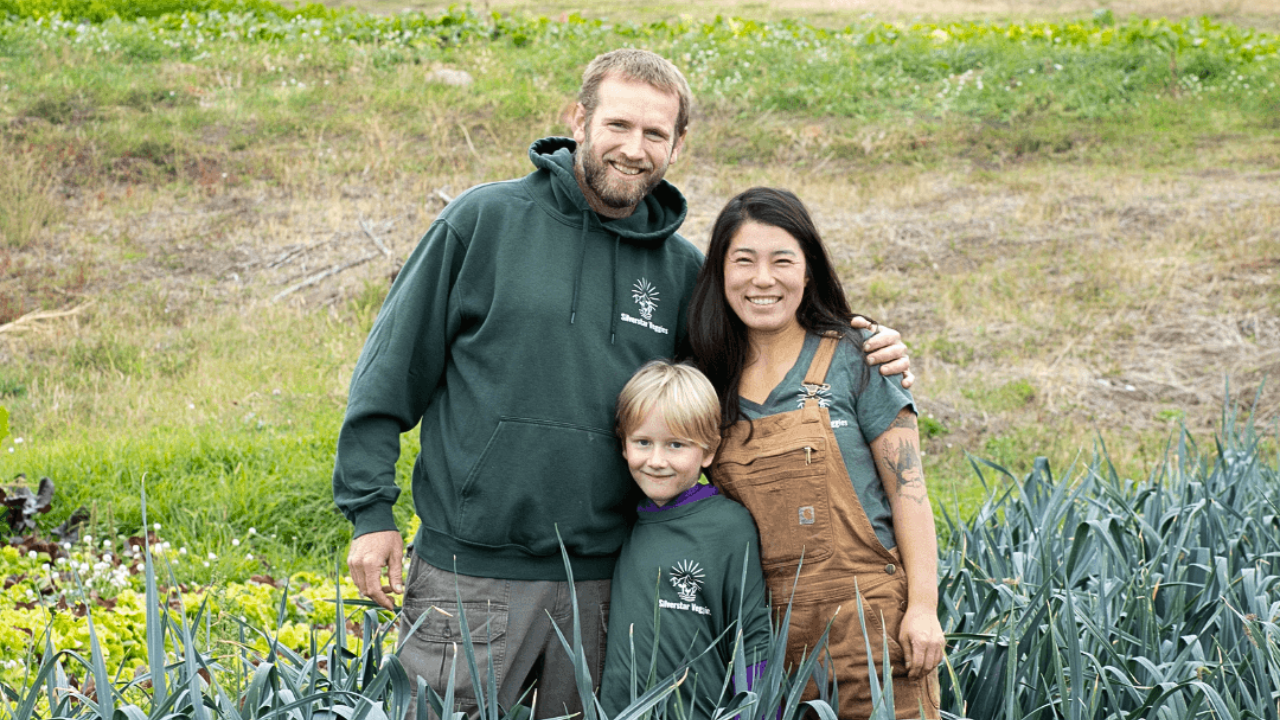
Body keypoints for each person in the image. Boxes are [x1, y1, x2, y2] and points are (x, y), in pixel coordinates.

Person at [332, 50, 912, 719]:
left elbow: (755, 359)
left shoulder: (680, 270)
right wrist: (370, 514)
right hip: (471, 576)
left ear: (678, 144)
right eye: (618, 125)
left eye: (655, 134)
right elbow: (390, 371)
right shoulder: (483, 223)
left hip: (606, 587)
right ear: (578, 119)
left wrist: (858, 344)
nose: (634, 149)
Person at [688, 187, 944, 720]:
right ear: (720, 273)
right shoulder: (704, 385)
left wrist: (922, 607)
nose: (763, 279)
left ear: (808, 272)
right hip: (763, 642)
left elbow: (910, 492)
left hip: (870, 628)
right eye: (744, 261)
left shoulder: (858, 356)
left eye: (783, 261)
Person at [600, 360, 772, 720]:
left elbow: (753, 637)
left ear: (708, 451)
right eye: (643, 442)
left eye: (676, 445)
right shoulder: (623, 520)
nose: (657, 461)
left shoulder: (729, 526)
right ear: (623, 444)